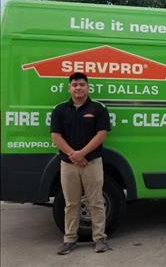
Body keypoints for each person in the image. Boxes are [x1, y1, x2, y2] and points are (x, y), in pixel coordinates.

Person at [50, 72, 111, 255]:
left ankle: (99, 238)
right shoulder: (59, 110)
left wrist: (82, 153)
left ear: (88, 87)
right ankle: (69, 240)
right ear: (69, 88)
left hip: (91, 162)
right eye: (75, 85)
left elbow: (101, 134)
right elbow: (55, 136)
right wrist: (73, 155)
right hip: (68, 164)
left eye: (82, 84)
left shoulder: (98, 108)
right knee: (71, 203)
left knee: (96, 202)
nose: (78, 88)